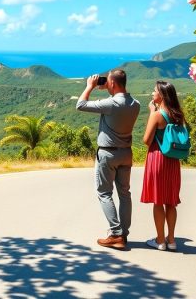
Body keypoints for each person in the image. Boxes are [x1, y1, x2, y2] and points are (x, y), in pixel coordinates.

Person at [76, 69, 140, 250]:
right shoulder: (135, 104)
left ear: (112, 83)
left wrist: (89, 87)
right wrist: (107, 89)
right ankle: (124, 234)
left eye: (108, 82)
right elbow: (118, 98)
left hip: (108, 153)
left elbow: (80, 105)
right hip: (126, 153)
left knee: (104, 193)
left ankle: (115, 234)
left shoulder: (111, 104)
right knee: (125, 194)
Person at [140, 81, 185, 251]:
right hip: (173, 160)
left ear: (162, 95)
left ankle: (160, 240)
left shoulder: (157, 115)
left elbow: (146, 140)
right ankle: (171, 240)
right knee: (171, 202)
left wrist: (152, 112)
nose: (152, 94)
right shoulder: (178, 114)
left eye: (154, 91)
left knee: (158, 201)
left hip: (158, 159)